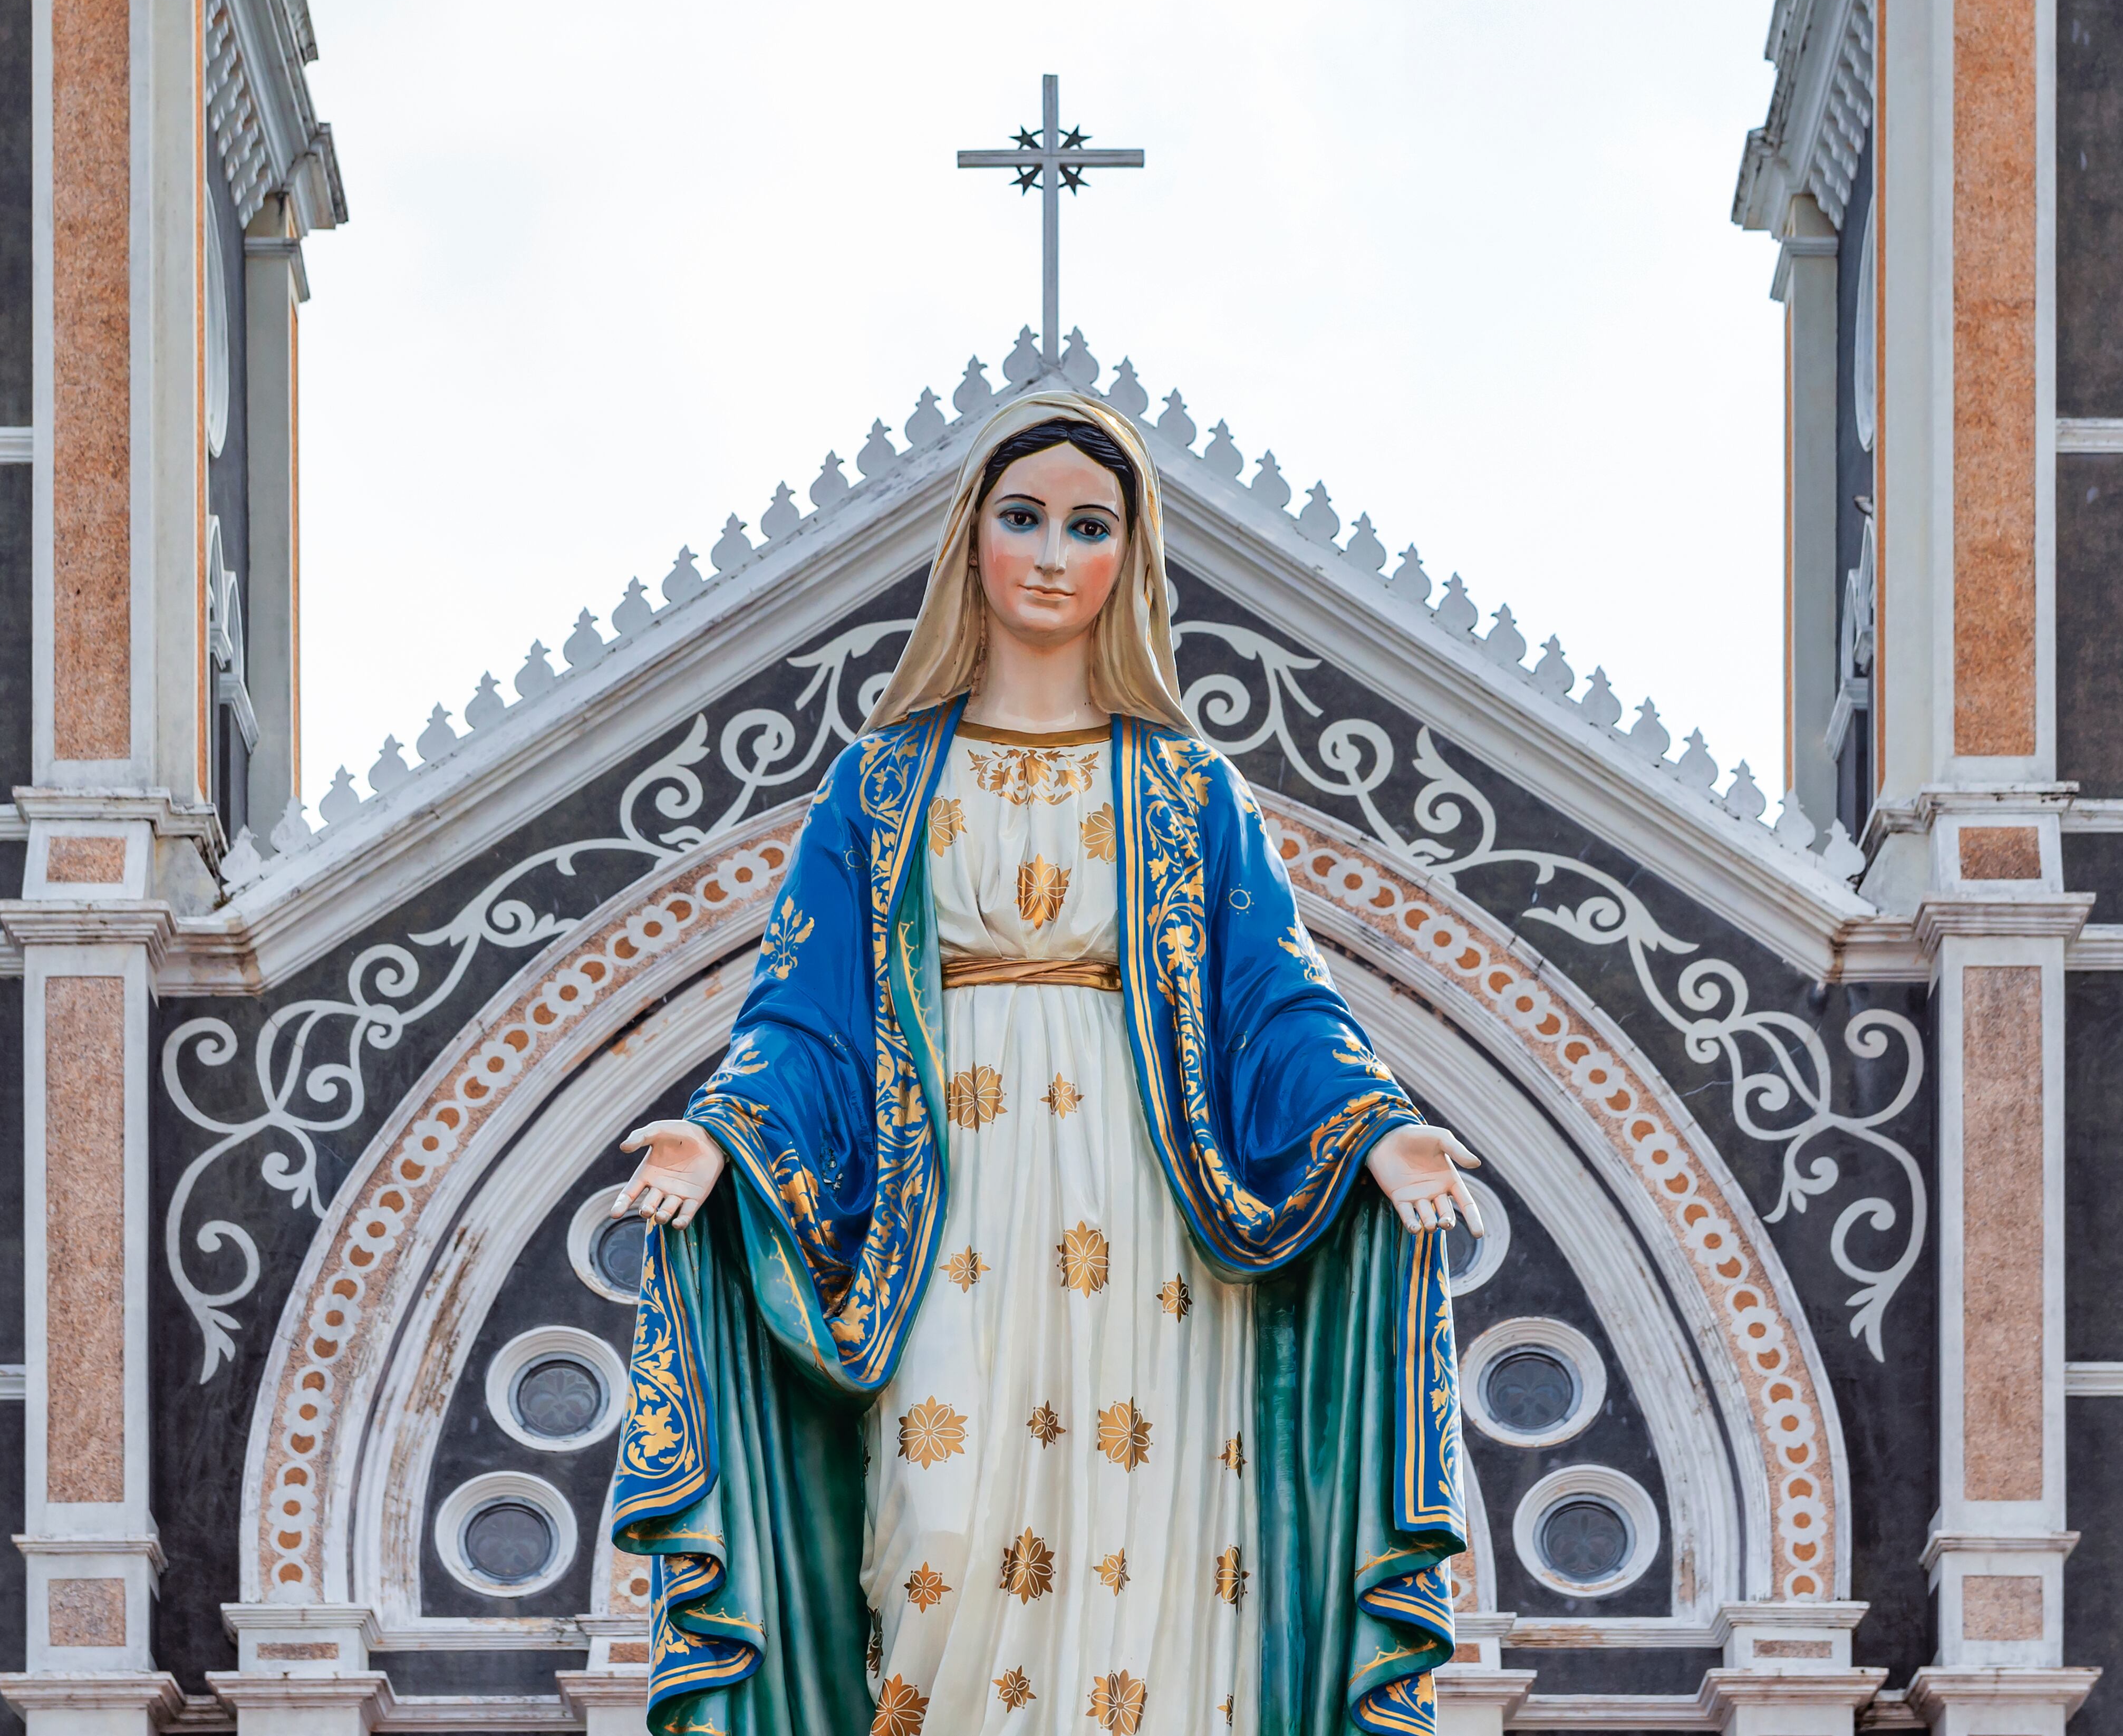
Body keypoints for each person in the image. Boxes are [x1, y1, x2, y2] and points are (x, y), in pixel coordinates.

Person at [609, 387, 1484, 1734]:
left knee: (1147, 1549)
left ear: (1129, 561)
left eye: (1090, 525)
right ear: (971, 542)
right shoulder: (883, 782)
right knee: (939, 1534)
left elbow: (1271, 1001)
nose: (1052, 553)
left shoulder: (1189, 789)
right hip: (940, 1192)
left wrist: (1375, 1125)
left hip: (1147, 1212)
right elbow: (807, 1011)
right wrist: (720, 1131)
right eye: (1023, 518)